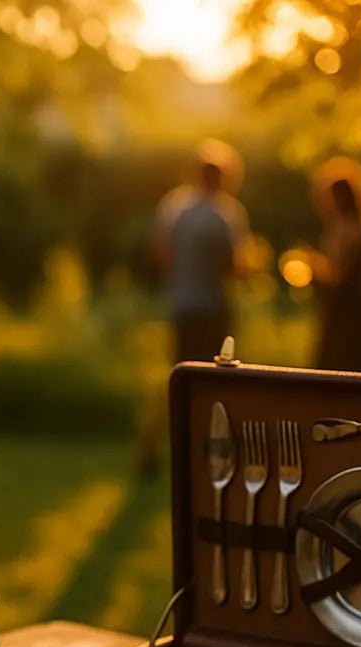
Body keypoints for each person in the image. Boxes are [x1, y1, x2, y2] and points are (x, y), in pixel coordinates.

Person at [137, 139, 250, 476]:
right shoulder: (226, 214)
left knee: (178, 375)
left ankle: (151, 448)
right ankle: (212, 451)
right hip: (213, 306)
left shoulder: (175, 207)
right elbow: (234, 268)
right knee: (220, 380)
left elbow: (158, 253)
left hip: (182, 303)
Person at [305, 157, 361, 373]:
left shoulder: (354, 232)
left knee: (345, 370)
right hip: (346, 314)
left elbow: (338, 277)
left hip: (347, 317)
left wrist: (311, 271)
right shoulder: (354, 228)